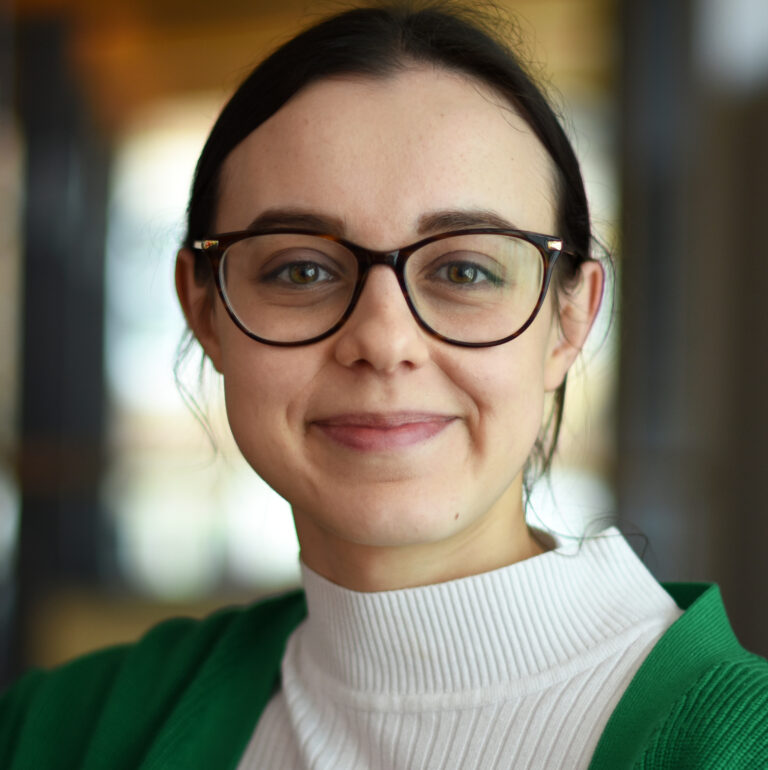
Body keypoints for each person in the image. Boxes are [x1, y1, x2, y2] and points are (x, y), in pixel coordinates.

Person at [2, 3, 767, 769]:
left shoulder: (735, 744)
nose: (383, 341)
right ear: (205, 309)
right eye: (301, 271)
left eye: (464, 270)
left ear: (570, 320)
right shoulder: (58, 734)